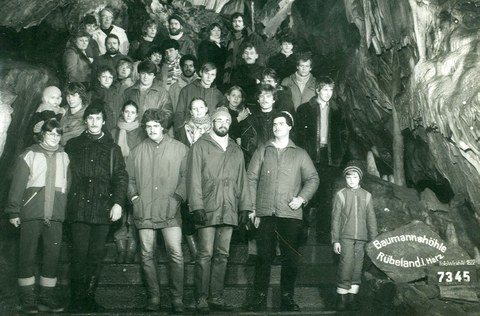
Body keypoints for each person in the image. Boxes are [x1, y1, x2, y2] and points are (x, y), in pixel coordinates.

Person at [247, 111, 319, 312]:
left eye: (281, 123)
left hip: (290, 214)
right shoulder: (263, 150)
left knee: (290, 258)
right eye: (275, 124)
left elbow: (313, 179)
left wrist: (302, 198)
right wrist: (253, 208)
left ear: (289, 127)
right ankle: (259, 297)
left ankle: (287, 297)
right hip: (265, 213)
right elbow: (251, 178)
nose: (277, 127)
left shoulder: (300, 153)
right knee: (263, 257)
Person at [187, 107, 252, 314]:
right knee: (205, 254)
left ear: (229, 124)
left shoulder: (235, 149)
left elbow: (242, 179)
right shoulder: (200, 146)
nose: (223, 123)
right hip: (207, 207)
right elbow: (193, 178)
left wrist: (244, 207)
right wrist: (196, 205)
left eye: (226, 121)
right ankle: (201, 297)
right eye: (219, 120)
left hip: (229, 207)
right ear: (212, 123)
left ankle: (216, 296)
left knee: (222, 254)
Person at [65, 104, 128, 313]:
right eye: (90, 118)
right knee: (79, 254)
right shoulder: (73, 145)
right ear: (86, 121)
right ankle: (76, 300)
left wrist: (118, 203)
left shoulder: (112, 149)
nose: (93, 122)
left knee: (96, 255)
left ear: (103, 122)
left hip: (103, 209)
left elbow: (120, 177)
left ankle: (89, 299)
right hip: (79, 208)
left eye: (97, 118)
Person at [126, 109, 188, 313]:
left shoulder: (180, 149)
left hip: (170, 211)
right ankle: (154, 297)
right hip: (145, 211)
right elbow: (129, 179)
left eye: (156, 126)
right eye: (148, 126)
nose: (152, 130)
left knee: (176, 254)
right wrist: (134, 198)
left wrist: (177, 198)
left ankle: (177, 299)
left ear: (163, 126)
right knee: (146, 254)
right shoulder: (136, 151)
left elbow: (186, 178)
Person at [6, 119, 70, 314]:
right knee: (27, 255)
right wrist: (13, 210)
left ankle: (46, 297)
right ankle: (27, 299)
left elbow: (67, 186)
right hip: (31, 213)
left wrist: (62, 210)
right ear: (42, 134)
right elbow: (17, 185)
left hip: (55, 215)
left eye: (57, 134)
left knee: (52, 256)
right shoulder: (29, 155)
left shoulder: (65, 157)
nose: (54, 138)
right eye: (50, 133)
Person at [294, 76, 349, 243]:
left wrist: (339, 156)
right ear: (317, 90)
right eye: (325, 89)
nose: (328, 93)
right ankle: (301, 235)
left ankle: (323, 237)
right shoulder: (304, 109)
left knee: (326, 198)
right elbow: (298, 135)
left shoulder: (338, 110)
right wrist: (302, 156)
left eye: (331, 90)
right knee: (306, 194)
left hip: (329, 159)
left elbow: (344, 135)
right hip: (309, 157)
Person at [331, 162, 377, 311]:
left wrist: (374, 239)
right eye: (348, 177)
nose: (351, 180)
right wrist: (335, 240)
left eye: (355, 177)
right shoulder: (341, 195)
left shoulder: (367, 196)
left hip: (362, 237)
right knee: (346, 264)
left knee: (358, 266)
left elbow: (371, 218)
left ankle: (352, 296)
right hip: (345, 237)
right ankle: (341, 297)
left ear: (359, 178)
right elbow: (335, 219)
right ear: (345, 179)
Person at [111, 101, 146, 264]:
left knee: (132, 209)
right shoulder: (114, 130)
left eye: (133, 112)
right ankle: (120, 246)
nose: (129, 115)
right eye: (127, 112)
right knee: (119, 207)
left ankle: (131, 246)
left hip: (135, 173)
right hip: (117, 174)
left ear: (137, 114)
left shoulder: (142, 132)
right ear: (122, 113)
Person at [174, 62, 223, 130]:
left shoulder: (218, 94)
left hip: (209, 134)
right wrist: (181, 132)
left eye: (212, 74)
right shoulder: (187, 90)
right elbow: (179, 114)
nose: (209, 77)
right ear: (200, 73)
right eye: (206, 73)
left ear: (215, 77)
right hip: (189, 132)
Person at [240, 84, 278, 165]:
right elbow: (247, 144)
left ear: (274, 99)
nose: (264, 99)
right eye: (261, 96)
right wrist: (262, 158)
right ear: (258, 100)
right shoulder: (250, 120)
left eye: (268, 96)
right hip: (257, 163)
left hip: (278, 162)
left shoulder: (280, 118)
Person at [224, 12, 265, 85]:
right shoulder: (231, 38)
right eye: (234, 21)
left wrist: (258, 75)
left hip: (250, 72)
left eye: (239, 21)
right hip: (234, 73)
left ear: (244, 23)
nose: (237, 23)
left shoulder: (253, 37)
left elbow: (260, 57)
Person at [230, 43, 265, 109]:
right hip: (240, 104)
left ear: (256, 56)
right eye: (246, 53)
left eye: (251, 53)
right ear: (243, 55)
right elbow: (235, 84)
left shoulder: (262, 70)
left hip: (257, 105)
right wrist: (254, 81)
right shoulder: (237, 70)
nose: (248, 55)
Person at [198, 22, 227, 90]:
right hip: (210, 74)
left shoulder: (222, 46)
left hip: (221, 75)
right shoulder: (205, 44)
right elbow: (203, 60)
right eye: (214, 30)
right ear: (209, 32)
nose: (216, 32)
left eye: (218, 30)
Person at [90, 65, 118, 132]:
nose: (107, 80)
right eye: (104, 77)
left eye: (110, 77)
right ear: (99, 78)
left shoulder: (116, 94)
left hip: (115, 128)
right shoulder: (92, 93)